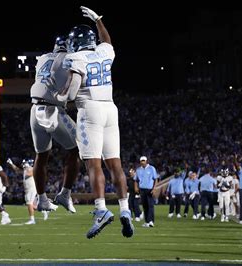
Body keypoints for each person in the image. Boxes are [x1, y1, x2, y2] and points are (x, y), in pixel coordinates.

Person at [58, 6, 134, 238]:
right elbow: (107, 41)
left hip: (89, 110)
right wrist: (99, 20)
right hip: (110, 109)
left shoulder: (75, 57)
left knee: (93, 165)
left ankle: (101, 210)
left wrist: (60, 97)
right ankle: (125, 210)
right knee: (116, 165)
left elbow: (72, 92)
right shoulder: (104, 53)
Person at [29, 33, 80, 214]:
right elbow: (72, 89)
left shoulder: (43, 58)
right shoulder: (69, 58)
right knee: (77, 148)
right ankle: (65, 194)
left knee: (41, 156)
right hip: (52, 110)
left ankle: (42, 199)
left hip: (34, 111)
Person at [7, 158, 51, 224]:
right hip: (28, 189)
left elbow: (29, 174)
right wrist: (11, 163)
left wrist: (27, 167)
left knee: (29, 203)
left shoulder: (32, 169)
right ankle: (44, 210)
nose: (23, 164)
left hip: (31, 189)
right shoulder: (26, 170)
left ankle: (32, 220)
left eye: (24, 163)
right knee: (32, 205)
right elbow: (17, 170)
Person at [134, 156, 159, 227]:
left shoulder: (152, 168)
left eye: (144, 160)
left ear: (146, 161)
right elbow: (136, 180)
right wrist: (136, 187)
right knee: (145, 206)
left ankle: (151, 221)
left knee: (150, 205)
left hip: (149, 189)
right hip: (142, 189)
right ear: (140, 162)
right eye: (141, 161)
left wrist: (154, 189)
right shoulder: (138, 170)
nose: (142, 162)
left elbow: (155, 179)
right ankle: (147, 221)